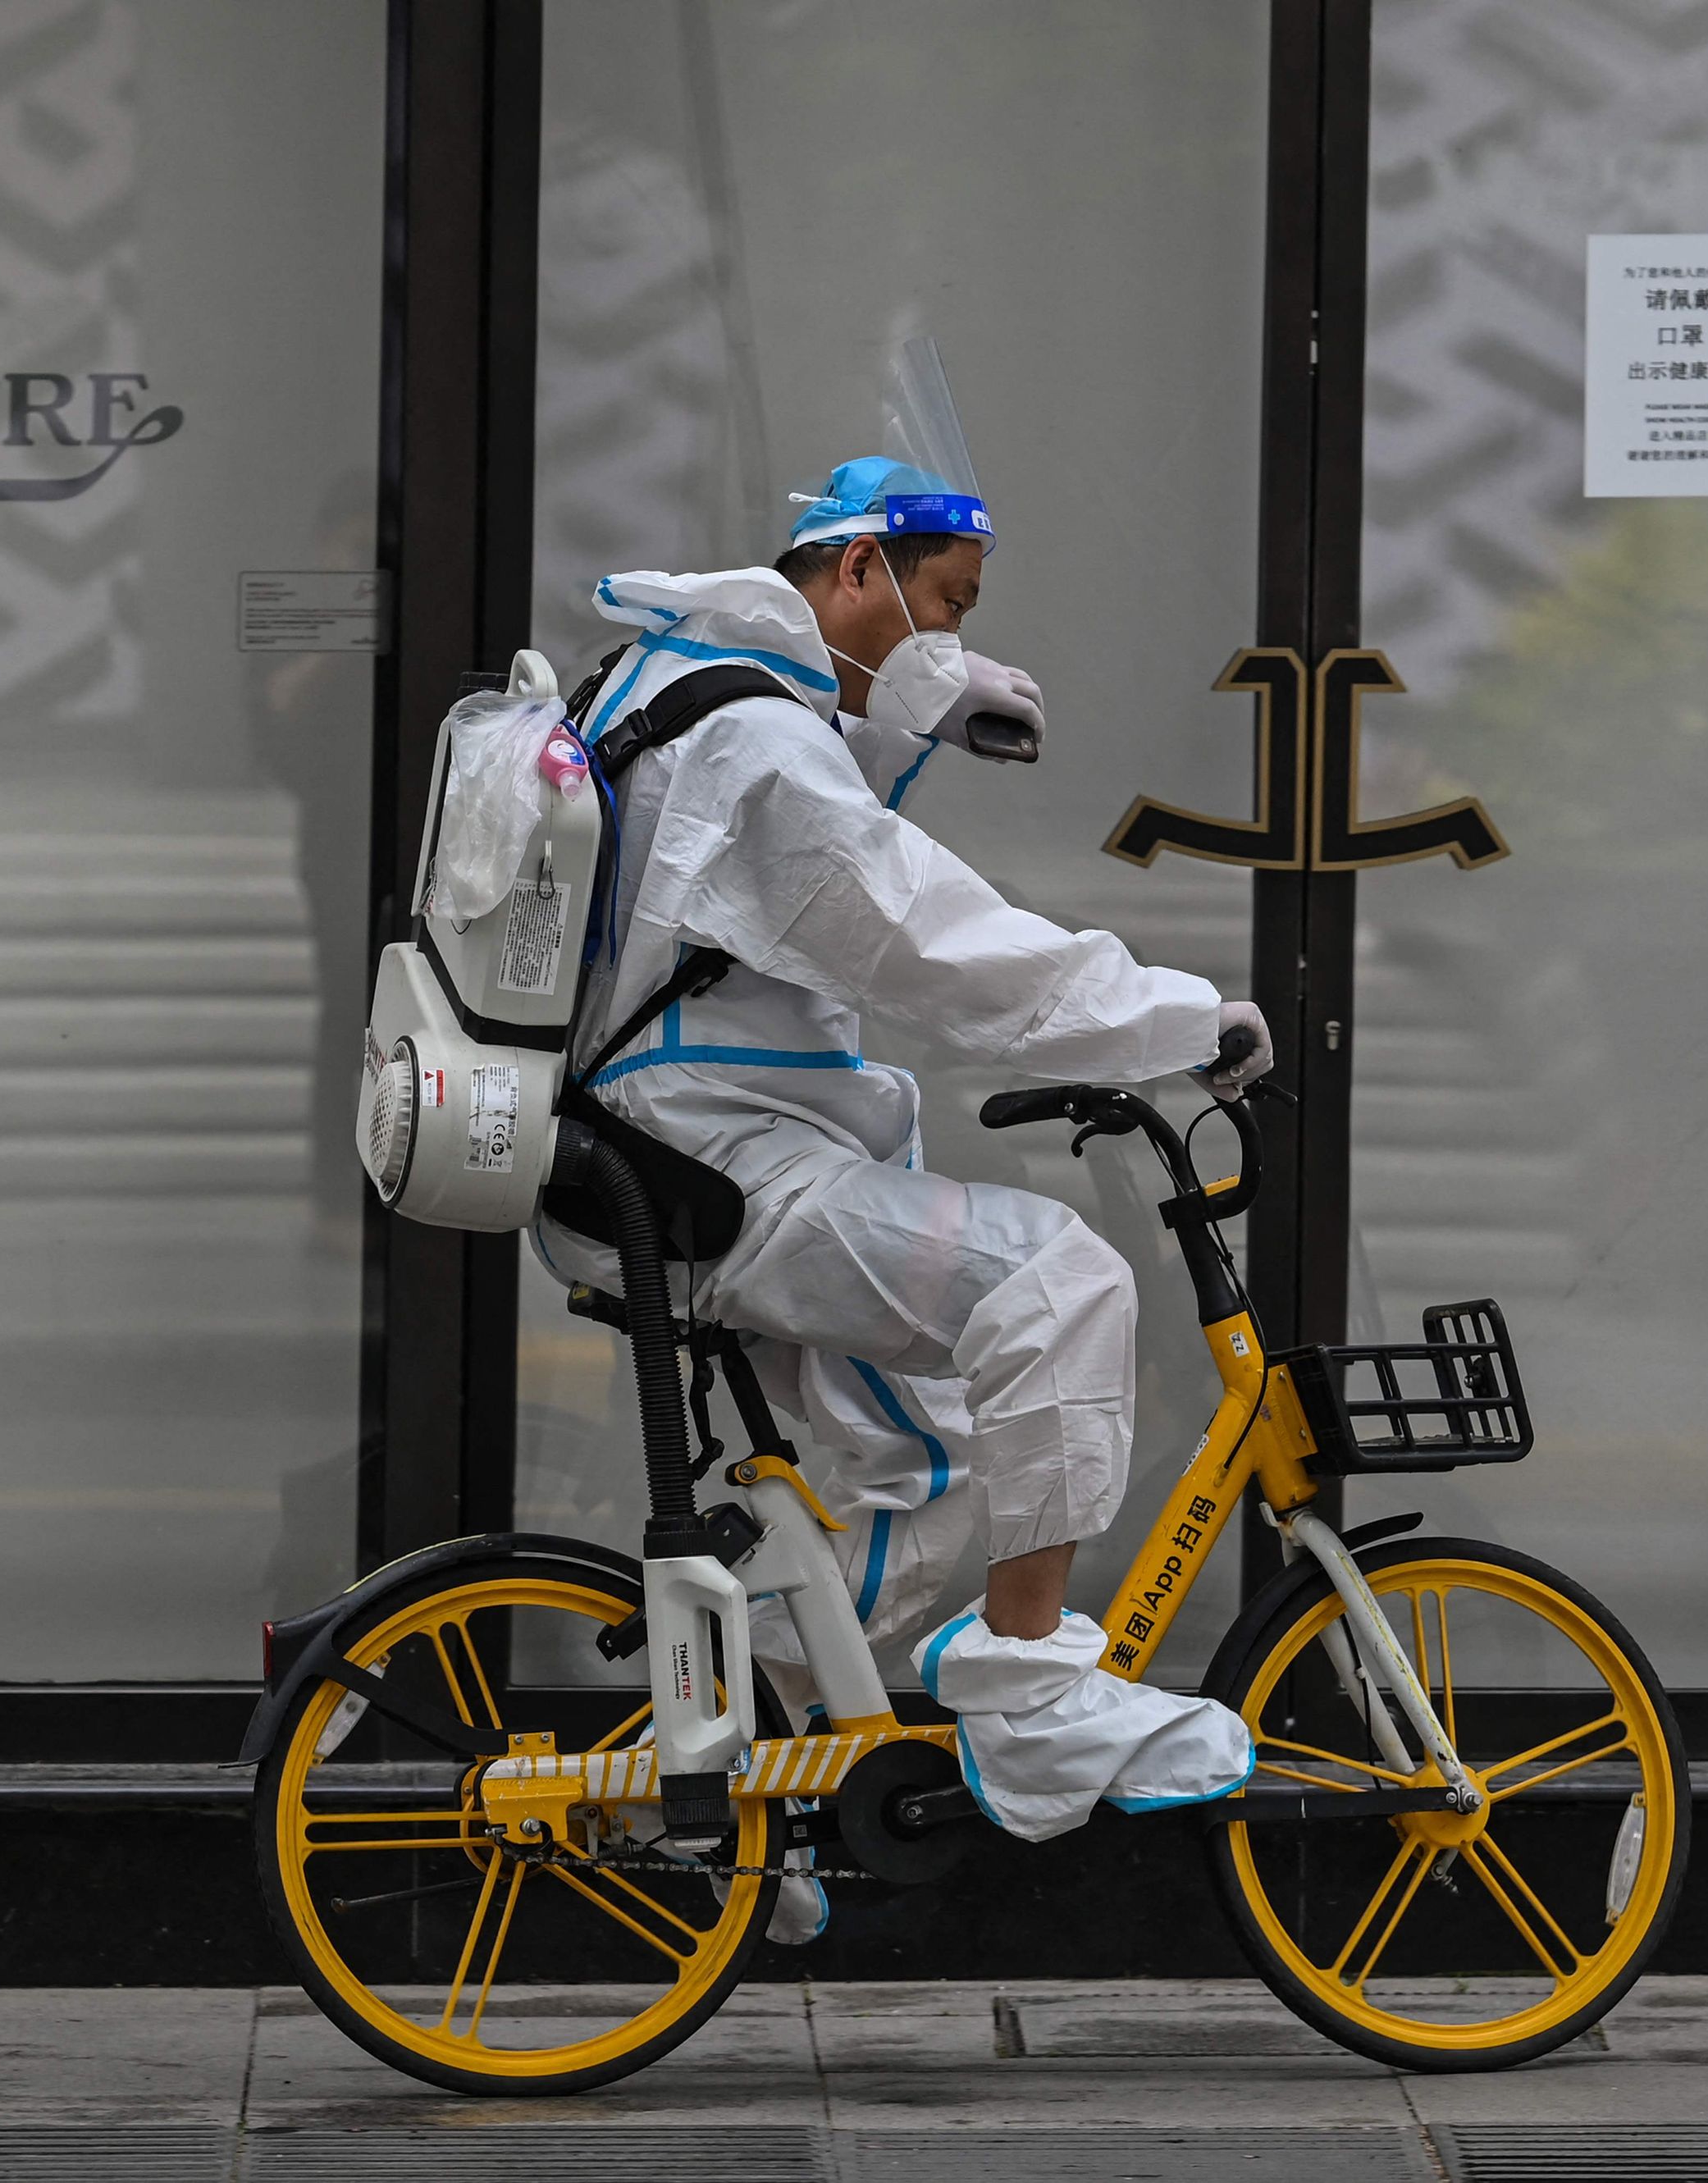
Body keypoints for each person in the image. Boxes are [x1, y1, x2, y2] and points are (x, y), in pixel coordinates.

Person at [537, 454, 1267, 1906]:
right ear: (857, 572)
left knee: (939, 1479)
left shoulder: (696, 693)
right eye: (944, 604)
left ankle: (742, 1784)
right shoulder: (753, 737)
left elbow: (773, 895)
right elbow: (919, 940)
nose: (948, 638)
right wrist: (1181, 1021)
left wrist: (905, 704)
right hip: (722, 1162)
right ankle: (1038, 1697)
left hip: (703, 1149)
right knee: (1063, 1283)